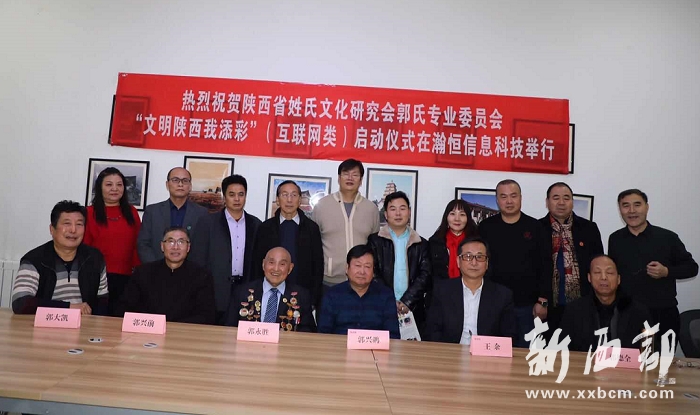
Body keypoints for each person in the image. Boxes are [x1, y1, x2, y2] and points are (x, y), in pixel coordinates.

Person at [608, 189, 698, 346]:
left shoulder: (667, 237)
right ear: (620, 209)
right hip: (627, 315)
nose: (632, 211)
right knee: (628, 360)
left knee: (662, 360)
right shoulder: (615, 239)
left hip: (662, 314)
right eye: (626, 205)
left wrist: (667, 271)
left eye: (637, 205)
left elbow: (692, 268)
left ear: (647, 207)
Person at [478, 179, 551, 348]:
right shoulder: (486, 227)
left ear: (521, 198)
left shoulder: (536, 227)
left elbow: (546, 266)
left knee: (525, 356)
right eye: (503, 197)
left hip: (528, 306)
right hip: (493, 305)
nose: (509, 201)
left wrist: (543, 302)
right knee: (493, 354)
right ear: (497, 200)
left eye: (513, 196)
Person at [12, 200, 108, 315]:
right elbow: (20, 302)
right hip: (44, 323)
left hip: (84, 323)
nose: (73, 230)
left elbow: (102, 300)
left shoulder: (95, 258)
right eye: (67, 223)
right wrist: (68, 307)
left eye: (79, 224)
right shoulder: (34, 260)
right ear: (52, 229)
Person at [190, 174, 261, 325]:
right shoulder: (207, 222)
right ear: (224, 196)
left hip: (246, 290)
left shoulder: (256, 224)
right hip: (215, 291)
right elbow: (197, 259)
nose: (237, 199)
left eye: (241, 194)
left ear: (246, 196)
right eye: (232, 194)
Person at [539, 182, 604, 335]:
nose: (561, 202)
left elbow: (598, 265)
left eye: (566, 198)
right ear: (547, 202)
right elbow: (534, 270)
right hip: (548, 308)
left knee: (582, 347)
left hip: (584, 306)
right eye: (556, 198)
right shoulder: (537, 228)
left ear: (572, 202)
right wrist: (542, 301)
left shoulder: (589, 228)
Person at [425, 237, 516, 344]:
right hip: (450, 351)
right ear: (458, 261)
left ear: (487, 263)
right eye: (468, 257)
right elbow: (432, 331)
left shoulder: (503, 295)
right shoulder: (442, 290)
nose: (474, 262)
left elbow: (508, 337)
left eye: (480, 257)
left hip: (486, 352)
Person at [117, 227, 216, 324]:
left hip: (185, 331)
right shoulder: (143, 273)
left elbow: (206, 315)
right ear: (162, 246)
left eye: (181, 242)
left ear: (188, 247)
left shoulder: (202, 276)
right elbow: (125, 308)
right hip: (148, 331)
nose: (175, 247)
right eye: (170, 241)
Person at [252, 180, 324, 308]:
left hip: (302, 294)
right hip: (270, 293)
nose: (289, 200)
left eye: (294, 195)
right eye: (285, 195)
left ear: (300, 200)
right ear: (277, 200)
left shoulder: (311, 228)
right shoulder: (265, 228)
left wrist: (313, 298)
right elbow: (257, 264)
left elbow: (317, 266)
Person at [559, 255, 652, 352]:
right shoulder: (574, 311)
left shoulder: (638, 312)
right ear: (589, 277)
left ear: (618, 279)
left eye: (609, 272)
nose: (603, 277)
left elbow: (651, 351)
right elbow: (561, 350)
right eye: (597, 272)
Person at [366, 191, 431, 330]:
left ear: (409, 212)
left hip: (413, 308)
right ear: (385, 214)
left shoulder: (421, 244)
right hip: (381, 305)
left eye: (402, 208)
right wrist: (390, 300)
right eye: (393, 209)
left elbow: (425, 275)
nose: (398, 213)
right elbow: (372, 272)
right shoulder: (374, 241)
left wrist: (407, 301)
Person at [313, 158, 380, 293]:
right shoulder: (322, 206)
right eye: (346, 174)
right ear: (339, 178)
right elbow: (313, 243)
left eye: (355, 175)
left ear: (361, 180)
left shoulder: (371, 209)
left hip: (362, 282)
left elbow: (375, 245)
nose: (350, 178)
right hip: (328, 282)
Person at [83, 167, 141, 315]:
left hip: (126, 277)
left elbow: (137, 244)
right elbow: (85, 247)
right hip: (97, 278)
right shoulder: (88, 212)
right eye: (109, 184)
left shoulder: (132, 212)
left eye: (119, 184)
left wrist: (137, 271)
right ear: (99, 187)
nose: (115, 189)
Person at [317, 245, 400, 338]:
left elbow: (393, 335)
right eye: (357, 265)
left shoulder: (386, 295)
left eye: (367, 266)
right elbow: (323, 334)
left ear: (373, 271)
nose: (362, 271)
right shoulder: (332, 295)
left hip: (375, 346)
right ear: (347, 268)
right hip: (339, 346)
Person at [226, 247, 315, 332]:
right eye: (271, 262)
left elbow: (308, 331)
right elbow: (229, 328)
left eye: (282, 264)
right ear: (263, 264)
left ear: (290, 268)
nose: (276, 269)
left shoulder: (301, 296)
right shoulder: (242, 292)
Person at [137, 167, 207, 263]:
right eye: (175, 180)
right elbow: (143, 244)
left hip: (191, 270)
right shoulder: (152, 211)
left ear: (190, 186)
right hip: (156, 268)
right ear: (167, 184)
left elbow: (203, 247)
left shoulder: (202, 213)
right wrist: (155, 267)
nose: (180, 184)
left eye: (185, 181)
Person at [428, 199, 479, 280]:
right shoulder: (435, 242)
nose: (457, 219)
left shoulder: (477, 243)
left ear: (468, 218)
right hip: (442, 286)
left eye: (462, 214)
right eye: (452, 214)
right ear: (446, 217)